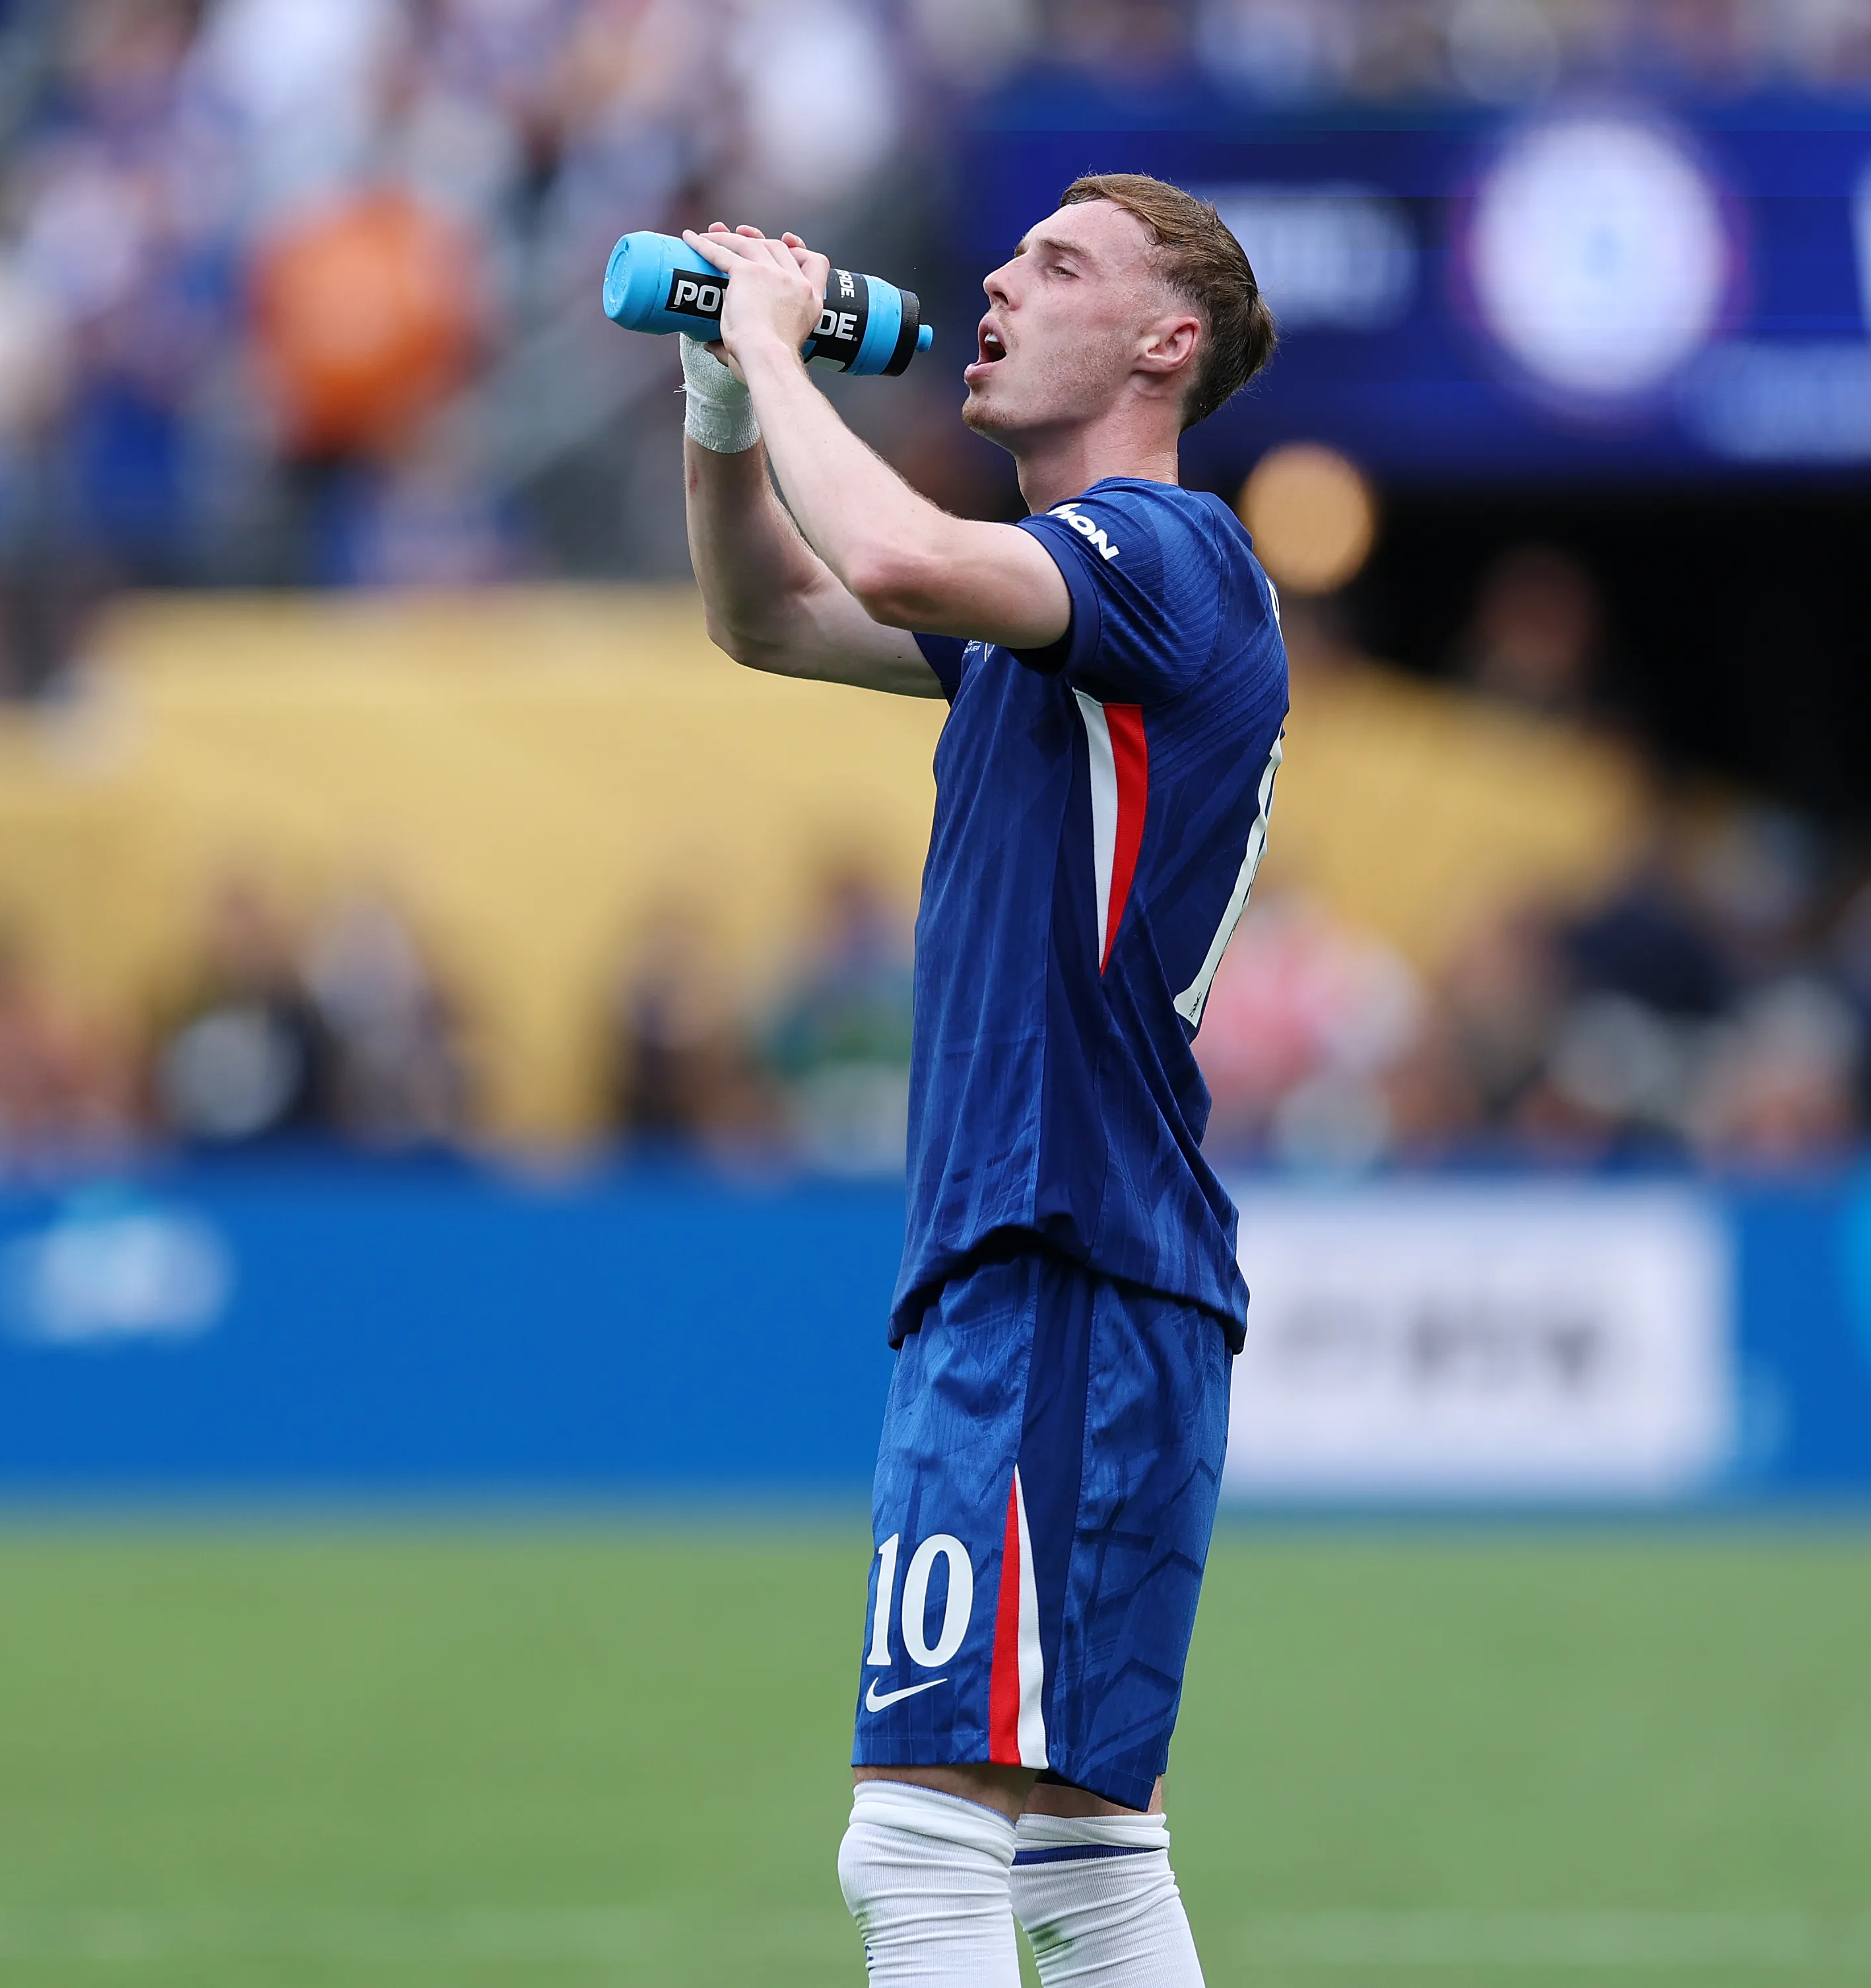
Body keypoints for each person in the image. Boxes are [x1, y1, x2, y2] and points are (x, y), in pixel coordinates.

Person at [676, 176, 1282, 1985]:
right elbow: (771, 613)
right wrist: (722, 400)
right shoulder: (1066, 603)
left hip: (1054, 1252)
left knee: (920, 1849)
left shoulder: (1162, 555)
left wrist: (774, 346)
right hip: (1098, 1260)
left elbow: (882, 557)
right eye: (1012, 256)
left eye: (1061, 266)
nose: (1001, 285)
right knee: (1090, 1864)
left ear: (1165, 343)